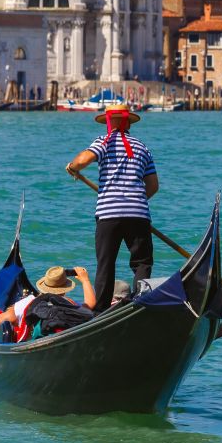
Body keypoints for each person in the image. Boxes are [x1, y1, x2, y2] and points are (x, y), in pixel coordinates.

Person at [66, 103, 159, 312]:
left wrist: (72, 167)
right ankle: (140, 305)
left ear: (109, 122)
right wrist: (135, 201)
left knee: (105, 264)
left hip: (108, 214)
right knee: (142, 263)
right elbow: (153, 186)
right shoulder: (143, 147)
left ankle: (99, 312)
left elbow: (83, 160)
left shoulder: (103, 142)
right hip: (138, 214)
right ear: (128, 123)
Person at [0, 266, 96, 339]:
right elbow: (89, 306)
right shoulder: (68, 303)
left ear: (44, 285)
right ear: (65, 289)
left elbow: (7, 318)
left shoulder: (28, 302)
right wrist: (85, 280)